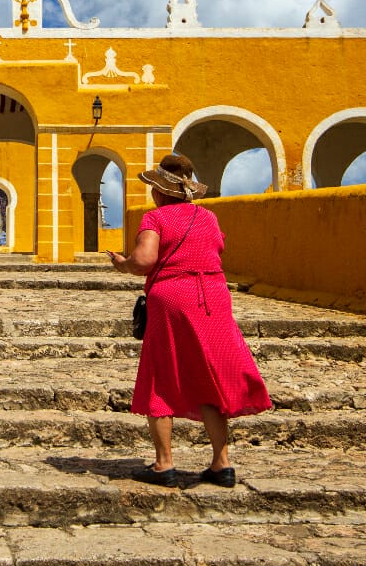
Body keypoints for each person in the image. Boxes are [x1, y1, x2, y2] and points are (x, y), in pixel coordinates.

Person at [109, 153, 271, 488]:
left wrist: (122, 263)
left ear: (159, 190)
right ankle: (221, 464)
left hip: (172, 297)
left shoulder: (156, 218)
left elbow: (144, 261)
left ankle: (164, 463)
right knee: (208, 374)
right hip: (212, 296)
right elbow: (217, 248)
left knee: (161, 374)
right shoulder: (209, 217)